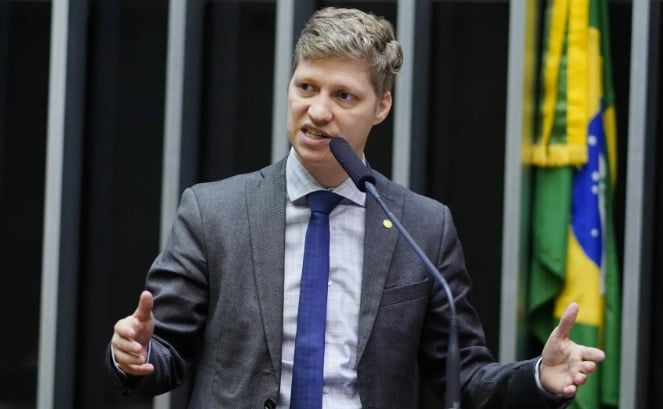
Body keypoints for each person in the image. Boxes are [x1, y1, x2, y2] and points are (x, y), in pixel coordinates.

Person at [108, 7, 605, 409]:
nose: (318, 111)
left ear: (382, 106)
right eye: (307, 88)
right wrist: (136, 353)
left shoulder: (423, 228)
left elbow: (463, 376)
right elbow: (165, 354)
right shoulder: (213, 212)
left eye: (343, 96)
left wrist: (538, 377)